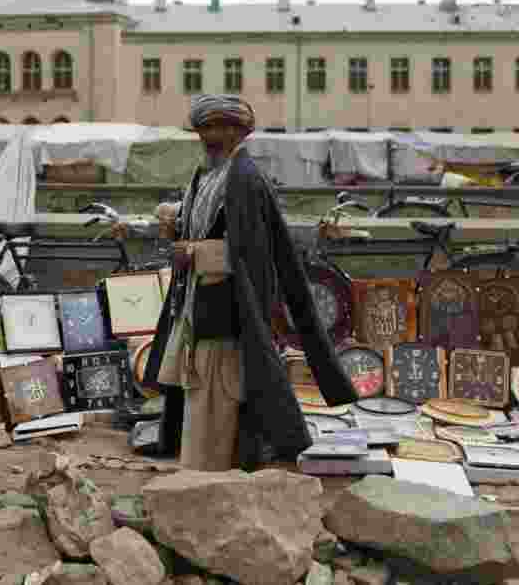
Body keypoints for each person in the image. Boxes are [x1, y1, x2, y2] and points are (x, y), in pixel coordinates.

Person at [141, 94, 358, 471]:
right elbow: (208, 225)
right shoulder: (205, 175)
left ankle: (212, 476)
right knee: (199, 394)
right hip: (197, 303)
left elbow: (251, 253)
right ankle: (200, 470)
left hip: (226, 310)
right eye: (206, 127)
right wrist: (175, 224)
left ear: (239, 132)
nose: (212, 135)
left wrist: (194, 254)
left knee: (219, 395)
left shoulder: (244, 180)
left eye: (222, 127)